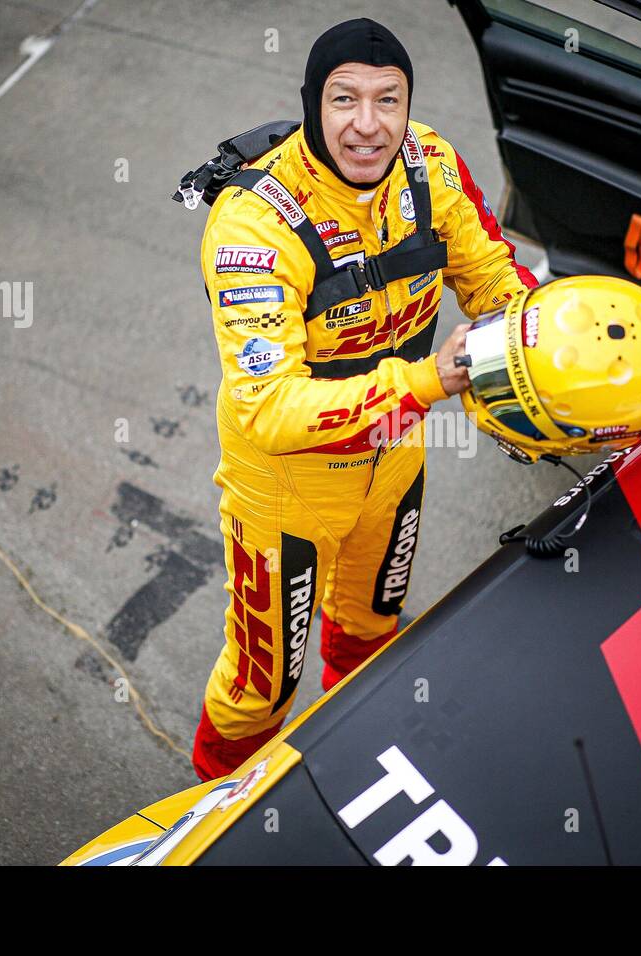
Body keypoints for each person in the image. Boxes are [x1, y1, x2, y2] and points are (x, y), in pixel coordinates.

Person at [193, 17, 537, 781]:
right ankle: (213, 825)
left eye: (390, 100)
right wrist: (428, 381)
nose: (369, 125)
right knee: (260, 690)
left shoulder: (431, 165)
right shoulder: (252, 222)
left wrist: (538, 342)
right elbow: (267, 410)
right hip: (286, 489)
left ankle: (359, 771)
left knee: (373, 630)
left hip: (394, 457)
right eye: (345, 100)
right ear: (313, 103)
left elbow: (493, 276)